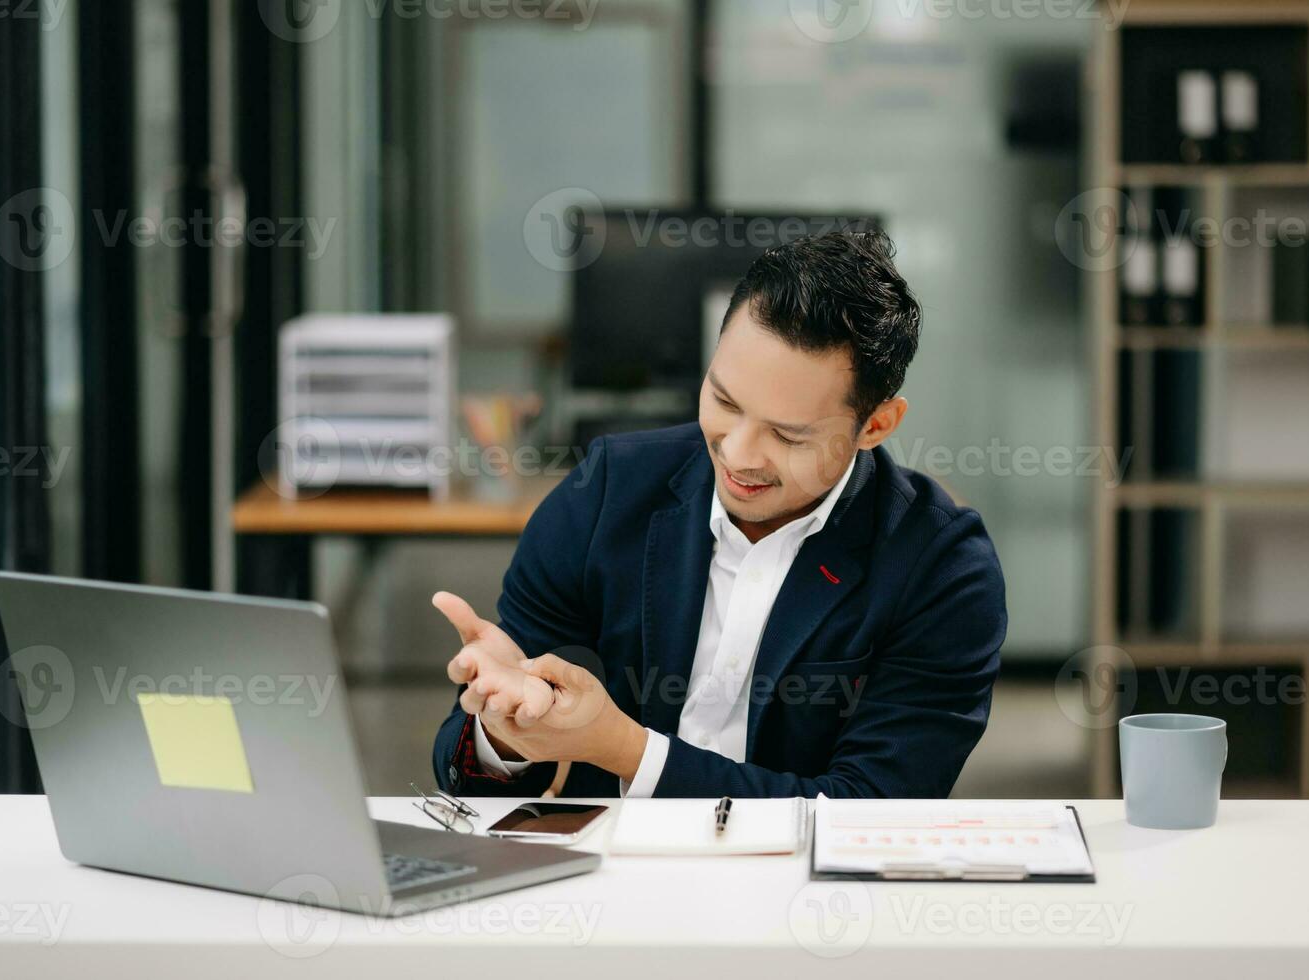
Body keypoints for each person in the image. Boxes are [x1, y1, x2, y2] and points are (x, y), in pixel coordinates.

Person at [431, 229, 1006, 799]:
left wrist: (622, 747)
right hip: (602, 879)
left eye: (788, 435)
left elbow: (868, 812)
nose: (738, 454)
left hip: (807, 891)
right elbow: (474, 786)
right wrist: (503, 734)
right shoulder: (606, 493)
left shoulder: (941, 568)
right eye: (725, 402)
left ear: (876, 426)